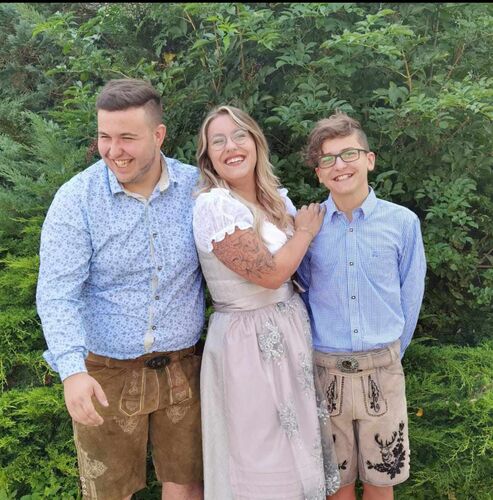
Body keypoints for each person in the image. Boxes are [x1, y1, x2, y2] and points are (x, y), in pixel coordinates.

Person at [36, 79, 205, 500]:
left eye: (127, 137)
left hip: (184, 370)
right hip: (105, 374)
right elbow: (57, 293)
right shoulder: (77, 199)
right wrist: (72, 371)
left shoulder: (198, 189)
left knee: (188, 484)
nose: (114, 150)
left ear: (158, 135)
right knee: (108, 492)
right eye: (105, 137)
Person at [192, 105, 340, 500]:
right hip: (246, 343)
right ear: (208, 157)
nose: (231, 147)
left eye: (239, 135)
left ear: (256, 143)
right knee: (261, 454)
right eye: (218, 141)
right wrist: (304, 232)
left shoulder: (275, 201)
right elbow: (271, 274)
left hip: (290, 331)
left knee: (297, 453)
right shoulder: (215, 206)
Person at [298, 112, 426, 500]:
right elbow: (301, 293)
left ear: (369, 160)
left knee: (380, 484)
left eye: (349, 154)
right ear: (319, 174)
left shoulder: (402, 223)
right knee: (334, 486)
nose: (340, 165)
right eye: (328, 159)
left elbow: (410, 296)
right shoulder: (308, 228)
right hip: (326, 372)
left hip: (382, 372)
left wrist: (389, 355)